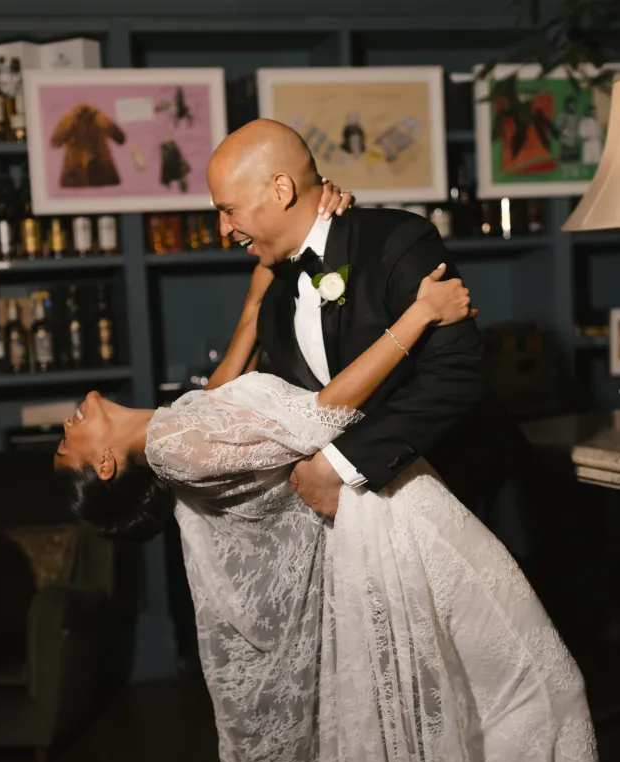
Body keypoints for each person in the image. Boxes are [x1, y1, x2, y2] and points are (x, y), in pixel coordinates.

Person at [55, 258, 620, 762]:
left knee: (519, 696)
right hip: (397, 519)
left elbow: (219, 386)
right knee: (543, 689)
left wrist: (259, 290)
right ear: (107, 463)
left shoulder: (174, 431)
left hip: (399, 505)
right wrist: (417, 314)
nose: (67, 422)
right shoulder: (180, 445)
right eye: (69, 442)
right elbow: (325, 413)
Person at [206, 120, 537, 566]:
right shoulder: (273, 296)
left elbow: (456, 375)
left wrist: (339, 465)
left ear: (281, 191)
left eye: (229, 210)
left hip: (469, 500)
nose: (223, 228)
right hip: (372, 538)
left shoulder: (397, 241)